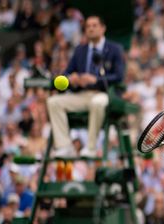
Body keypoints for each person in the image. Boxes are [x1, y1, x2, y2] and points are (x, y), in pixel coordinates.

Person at [46, 15, 125, 158]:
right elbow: (67, 74)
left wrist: (96, 80)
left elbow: (119, 76)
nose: (91, 29)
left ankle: (91, 147)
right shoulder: (80, 50)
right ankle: (64, 147)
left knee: (97, 102)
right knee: (53, 102)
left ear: (103, 28)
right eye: (88, 26)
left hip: (103, 94)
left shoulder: (114, 49)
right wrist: (72, 79)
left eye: (94, 25)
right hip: (82, 95)